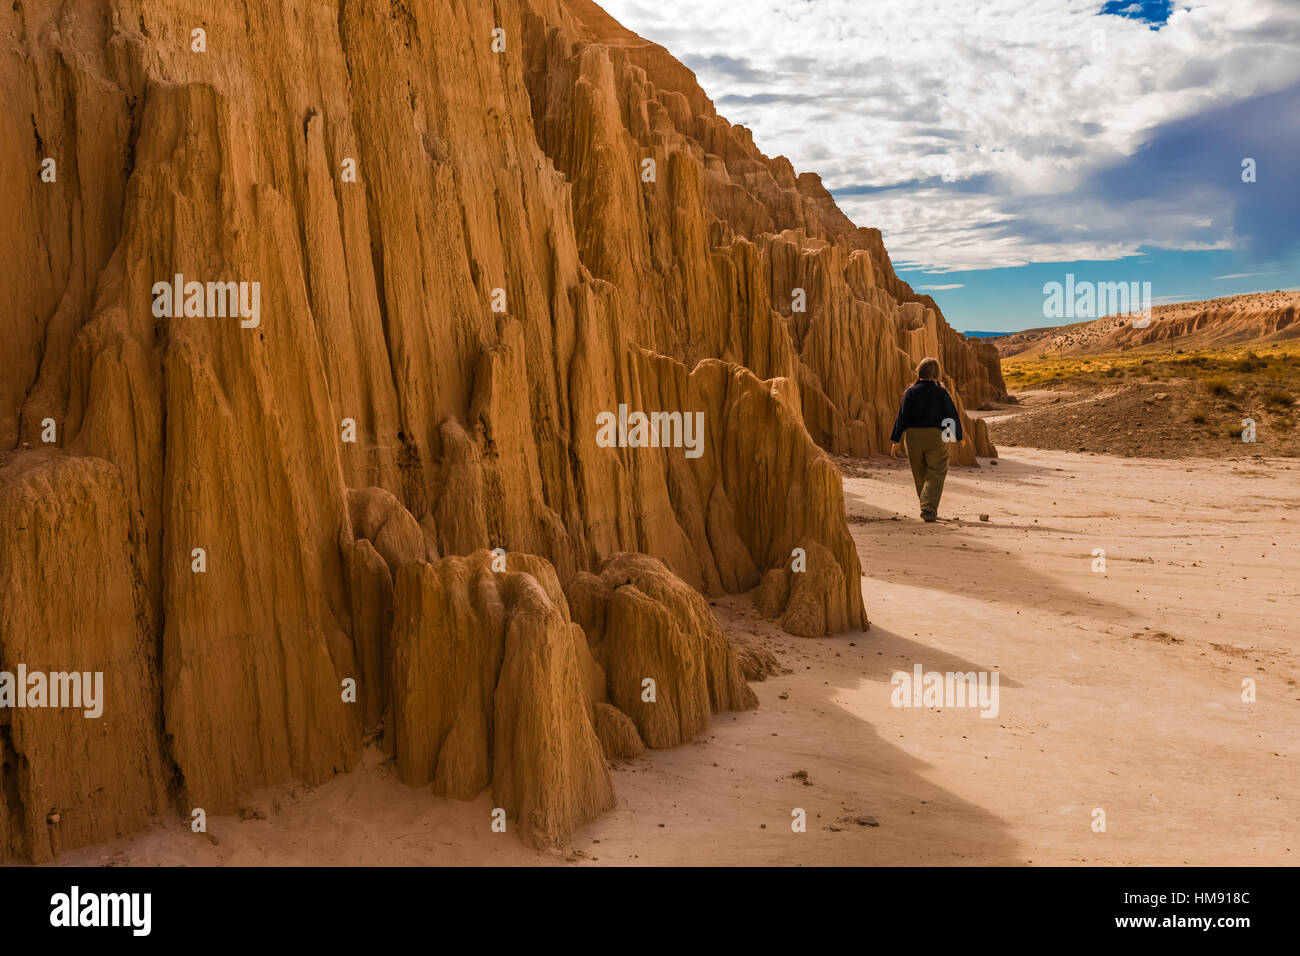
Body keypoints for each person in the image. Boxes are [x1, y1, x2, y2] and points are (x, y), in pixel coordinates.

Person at [889, 357, 962, 522]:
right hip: (936, 436)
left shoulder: (911, 392)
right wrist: (958, 435)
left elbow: (902, 416)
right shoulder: (941, 392)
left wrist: (896, 439)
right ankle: (928, 508)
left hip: (913, 437)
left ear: (920, 372)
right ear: (937, 374)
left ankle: (926, 506)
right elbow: (951, 415)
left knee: (919, 473)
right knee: (937, 471)